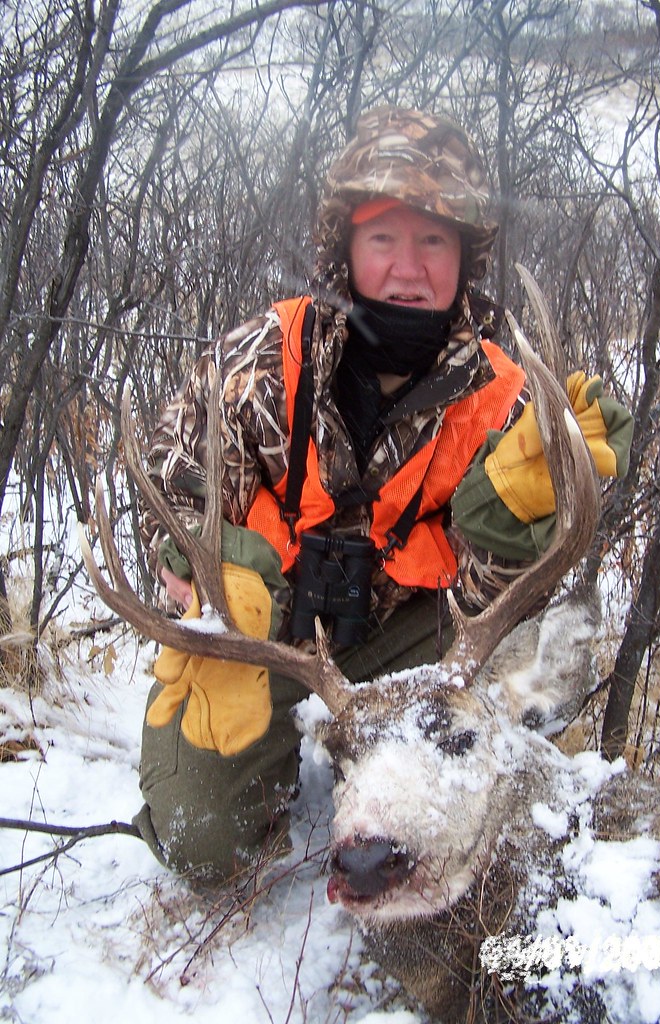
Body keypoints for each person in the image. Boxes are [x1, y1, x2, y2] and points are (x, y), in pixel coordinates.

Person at [132, 106, 633, 883]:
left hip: (407, 654)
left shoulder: (506, 401)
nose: (409, 266)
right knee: (202, 846)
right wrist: (201, 561)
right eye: (383, 238)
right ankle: (267, 770)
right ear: (347, 249)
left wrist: (518, 530)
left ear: (465, 258)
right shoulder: (270, 352)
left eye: (434, 240)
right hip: (270, 636)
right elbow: (171, 469)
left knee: (541, 649)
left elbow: (489, 607)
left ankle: (425, 787)